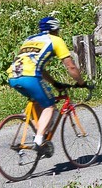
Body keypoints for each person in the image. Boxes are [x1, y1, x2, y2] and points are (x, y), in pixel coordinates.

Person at [7, 14, 84, 155]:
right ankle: (38, 140)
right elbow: (71, 67)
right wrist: (81, 82)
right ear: (55, 29)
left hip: (13, 76)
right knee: (49, 106)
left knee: (38, 101)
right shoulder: (55, 40)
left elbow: (40, 69)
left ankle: (39, 134)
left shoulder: (29, 39)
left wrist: (54, 83)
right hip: (30, 77)